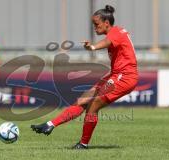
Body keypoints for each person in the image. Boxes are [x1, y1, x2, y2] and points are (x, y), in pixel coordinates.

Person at [31, 5, 138, 149]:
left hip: (125, 76)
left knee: (93, 106)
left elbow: (107, 42)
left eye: (96, 24)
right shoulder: (116, 32)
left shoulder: (117, 31)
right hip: (116, 74)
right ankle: (50, 125)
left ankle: (83, 144)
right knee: (83, 100)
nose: (95, 28)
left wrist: (92, 47)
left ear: (106, 23)